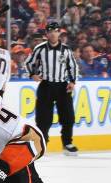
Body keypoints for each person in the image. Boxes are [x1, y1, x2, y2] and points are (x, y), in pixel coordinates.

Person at [24, 21, 79, 155]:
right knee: (43, 118)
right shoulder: (40, 49)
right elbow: (29, 63)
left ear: (59, 32)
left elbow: (73, 66)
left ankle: (67, 143)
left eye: (55, 31)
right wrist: (32, 74)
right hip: (46, 85)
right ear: (47, 34)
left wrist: (72, 81)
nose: (53, 34)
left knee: (68, 116)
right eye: (50, 31)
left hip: (62, 86)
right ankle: (43, 142)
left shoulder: (65, 49)